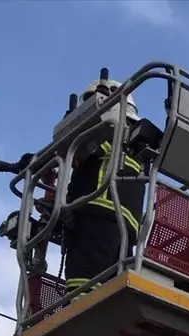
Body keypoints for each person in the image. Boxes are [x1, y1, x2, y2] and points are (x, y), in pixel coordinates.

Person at [61, 77, 146, 296]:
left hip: (94, 218)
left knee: (81, 295)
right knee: (110, 294)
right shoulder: (138, 140)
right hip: (124, 229)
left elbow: (76, 154)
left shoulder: (105, 132)